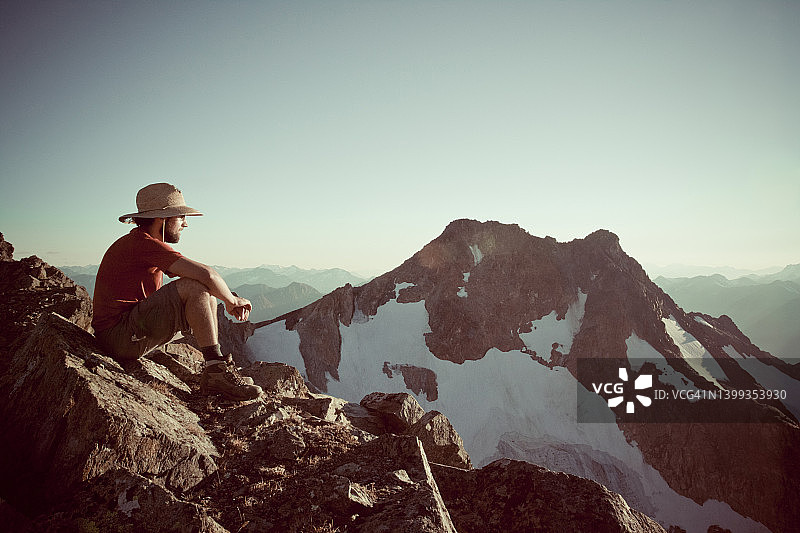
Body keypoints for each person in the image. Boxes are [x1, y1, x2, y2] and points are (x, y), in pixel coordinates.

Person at [92, 182, 262, 401]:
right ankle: (216, 372)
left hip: (123, 331)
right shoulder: (144, 244)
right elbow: (207, 274)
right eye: (180, 217)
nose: (185, 224)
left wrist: (226, 297)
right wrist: (231, 301)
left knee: (203, 288)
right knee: (195, 285)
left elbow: (205, 279)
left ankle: (215, 367)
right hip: (119, 337)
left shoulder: (140, 242)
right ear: (162, 220)